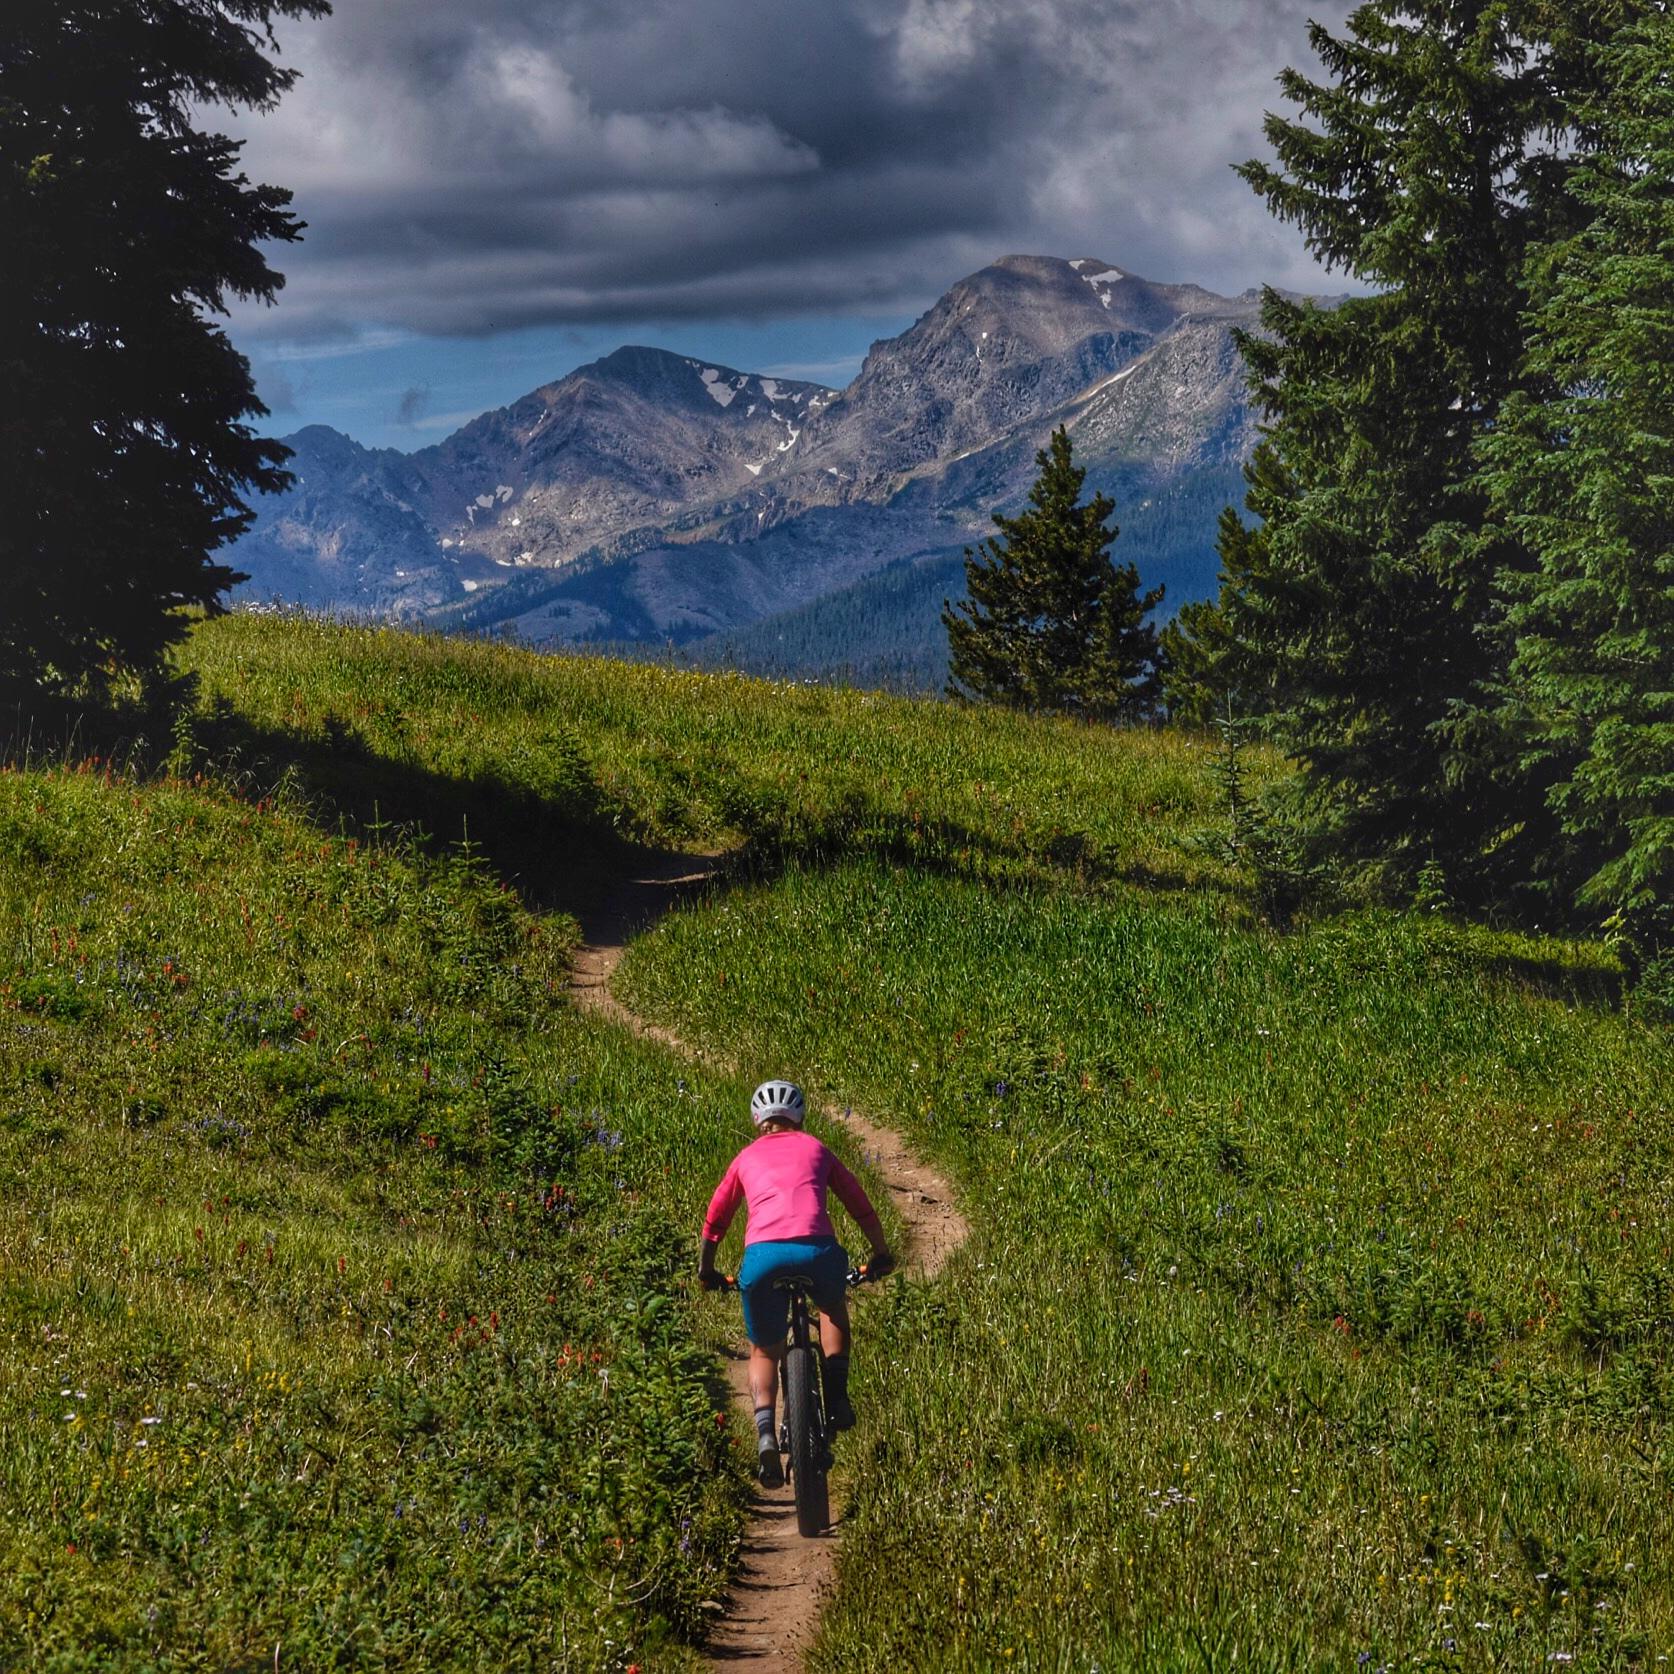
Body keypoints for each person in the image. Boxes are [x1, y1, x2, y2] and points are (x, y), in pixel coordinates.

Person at [698, 1078, 894, 1487]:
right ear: (800, 1116)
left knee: (765, 1352)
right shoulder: (817, 1148)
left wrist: (707, 1268)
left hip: (763, 1259)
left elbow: (717, 1216)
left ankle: (766, 1432)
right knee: (832, 1308)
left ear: (758, 1120)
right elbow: (858, 1203)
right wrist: (879, 1253)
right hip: (817, 1254)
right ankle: (837, 1397)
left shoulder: (745, 1157)